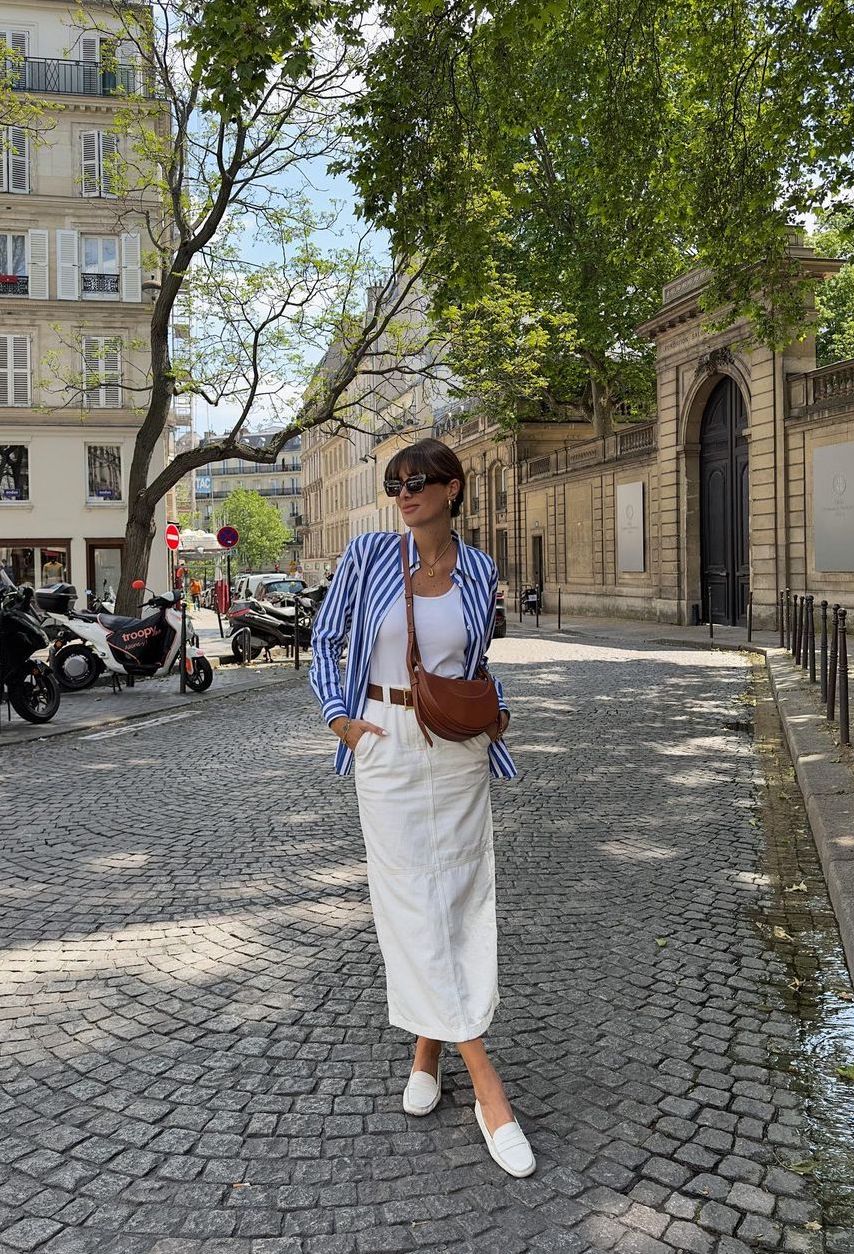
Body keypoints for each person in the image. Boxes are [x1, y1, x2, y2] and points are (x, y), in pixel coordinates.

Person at [310, 438, 535, 1178]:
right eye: (394, 482)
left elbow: (478, 663)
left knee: (463, 896)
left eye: (418, 481)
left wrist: (494, 709)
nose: (404, 493)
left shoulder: (480, 570)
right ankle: (487, 1085)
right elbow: (324, 640)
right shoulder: (370, 556)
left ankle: (425, 1051)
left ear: (452, 488)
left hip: (458, 748)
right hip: (386, 744)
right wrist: (342, 719)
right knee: (410, 903)